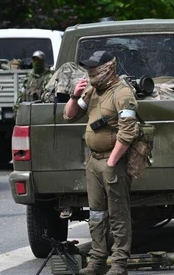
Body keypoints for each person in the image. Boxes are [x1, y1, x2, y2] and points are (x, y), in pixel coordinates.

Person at [64, 51, 139, 275]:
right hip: (94, 161)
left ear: (108, 67)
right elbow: (69, 116)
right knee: (96, 214)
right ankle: (97, 259)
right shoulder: (92, 91)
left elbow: (128, 132)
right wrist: (73, 95)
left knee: (118, 213)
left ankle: (119, 263)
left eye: (95, 67)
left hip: (112, 161)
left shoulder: (122, 93)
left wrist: (112, 163)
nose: (91, 72)